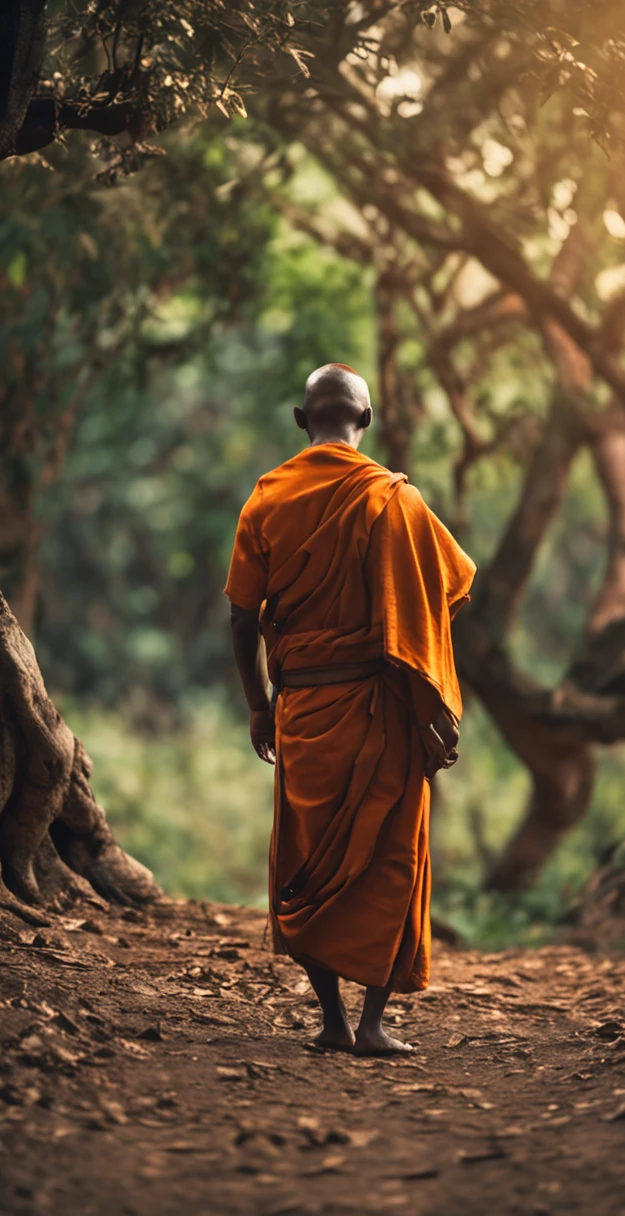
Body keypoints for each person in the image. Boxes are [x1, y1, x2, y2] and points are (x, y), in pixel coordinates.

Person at [225, 364, 476, 1056]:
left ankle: (333, 1020)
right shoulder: (397, 500)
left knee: (305, 866)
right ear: (365, 421)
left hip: (303, 708)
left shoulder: (266, 500)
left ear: (302, 420)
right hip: (383, 711)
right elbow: (445, 589)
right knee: (391, 858)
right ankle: (371, 1022)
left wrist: (257, 707)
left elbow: (242, 619)